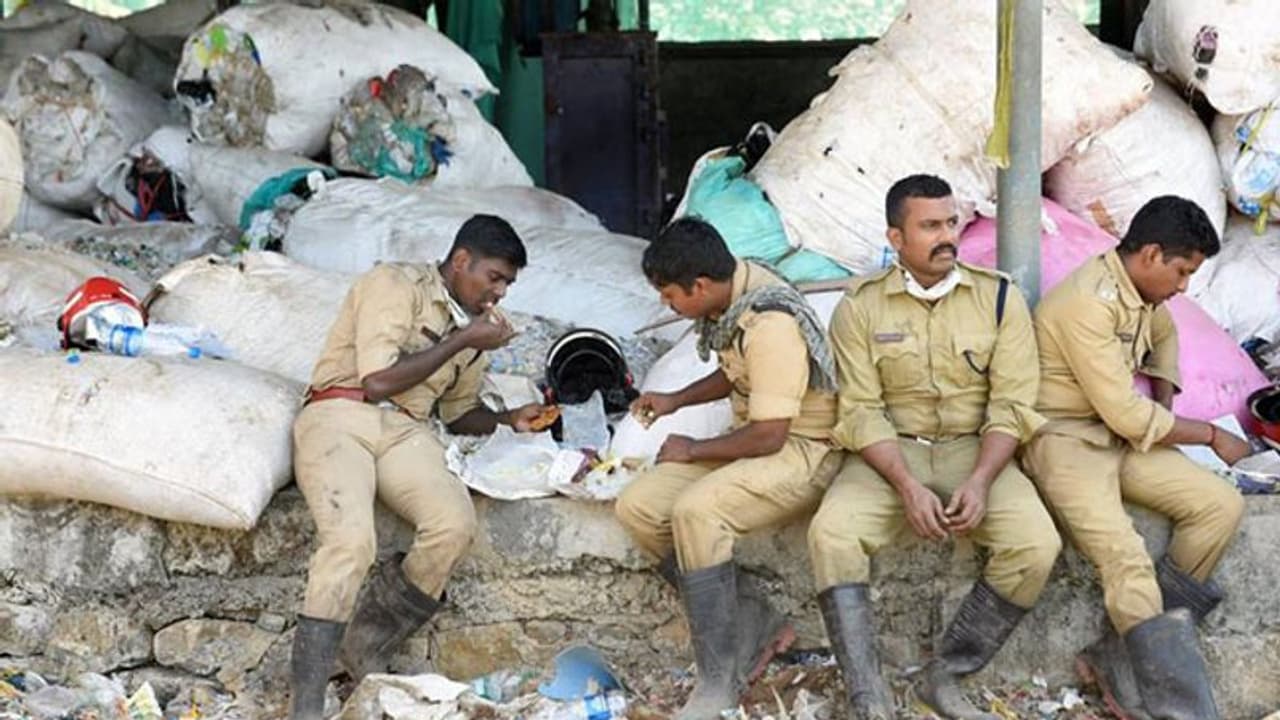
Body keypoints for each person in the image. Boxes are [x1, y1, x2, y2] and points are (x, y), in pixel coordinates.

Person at [808, 174, 1062, 719]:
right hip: (888, 456)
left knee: (1036, 544)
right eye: (929, 226)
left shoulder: (998, 299)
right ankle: (866, 691)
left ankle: (945, 676)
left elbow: (1012, 404)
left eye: (951, 223)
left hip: (978, 452)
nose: (946, 236)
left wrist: (980, 480)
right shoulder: (860, 307)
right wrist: (906, 486)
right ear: (895, 238)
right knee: (832, 534)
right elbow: (860, 409)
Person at [286, 215, 553, 719]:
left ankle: (365, 644)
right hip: (340, 414)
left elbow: (457, 413)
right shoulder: (395, 284)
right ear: (460, 262)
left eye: (507, 284)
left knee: (453, 525)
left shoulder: (476, 330)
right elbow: (378, 382)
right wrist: (462, 340)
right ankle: (305, 703)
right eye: (492, 278)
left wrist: (509, 419)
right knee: (351, 542)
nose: (497, 293)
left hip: (407, 430)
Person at [1025, 195, 1248, 719]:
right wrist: (1209, 435)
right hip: (1064, 441)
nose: (1184, 286)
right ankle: (1178, 708)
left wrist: (1166, 402)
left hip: (1117, 437)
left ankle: (1121, 656)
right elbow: (1127, 415)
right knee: (1127, 562)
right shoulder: (1088, 301)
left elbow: (1163, 333)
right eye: (1182, 271)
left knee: (1219, 505)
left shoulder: (1142, 295)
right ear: (1150, 254)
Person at [614, 217, 841, 719]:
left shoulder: (771, 323)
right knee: (638, 506)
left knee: (697, 512)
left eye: (670, 294)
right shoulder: (734, 297)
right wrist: (675, 400)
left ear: (699, 286)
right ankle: (752, 616)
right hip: (761, 441)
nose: (666, 305)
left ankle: (718, 679)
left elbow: (771, 435)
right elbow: (736, 373)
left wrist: (694, 449)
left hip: (802, 450)